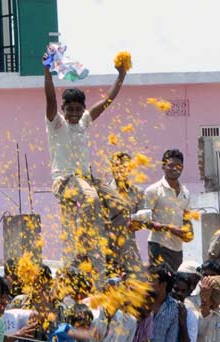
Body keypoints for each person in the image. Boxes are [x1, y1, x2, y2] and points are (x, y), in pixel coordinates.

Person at [45, 52, 127, 282]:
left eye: (77, 109)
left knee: (121, 206)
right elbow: (50, 100)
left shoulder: (84, 121)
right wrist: (47, 72)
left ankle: (103, 246)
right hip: (65, 181)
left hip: (86, 181)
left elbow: (107, 101)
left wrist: (121, 75)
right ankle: (80, 251)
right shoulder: (56, 124)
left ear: (83, 109)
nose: (73, 113)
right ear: (63, 109)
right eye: (69, 109)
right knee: (91, 199)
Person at [145, 149, 193, 271]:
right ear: (163, 166)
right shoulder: (153, 190)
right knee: (160, 280)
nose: (175, 169)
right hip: (158, 246)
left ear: (182, 167)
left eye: (178, 165)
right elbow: (146, 222)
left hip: (177, 248)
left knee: (176, 281)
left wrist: (189, 232)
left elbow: (186, 218)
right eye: (171, 165)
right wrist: (170, 228)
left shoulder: (186, 193)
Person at [104, 151, 146, 278]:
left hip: (129, 249)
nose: (121, 170)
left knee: (136, 282)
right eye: (117, 166)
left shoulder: (138, 192)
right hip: (108, 249)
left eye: (125, 166)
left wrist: (137, 222)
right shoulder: (103, 191)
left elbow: (142, 223)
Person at [142, 265, 180, 342]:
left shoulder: (173, 308)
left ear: (163, 285)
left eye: (151, 280)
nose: (147, 284)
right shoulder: (140, 303)